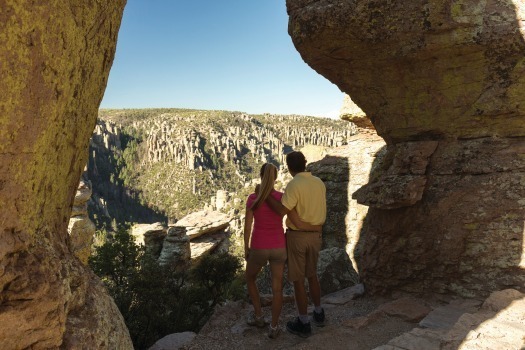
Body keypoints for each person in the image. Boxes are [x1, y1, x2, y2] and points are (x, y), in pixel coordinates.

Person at [244, 162, 321, 339]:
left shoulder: (252, 199)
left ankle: (259, 316)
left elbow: (248, 228)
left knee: (250, 278)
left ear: (261, 176)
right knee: (277, 288)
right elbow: (295, 218)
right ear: (276, 177)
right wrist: (314, 228)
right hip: (279, 247)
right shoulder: (282, 197)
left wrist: (245, 248)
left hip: (259, 246)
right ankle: (274, 326)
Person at [266, 151, 326, 338]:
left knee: (298, 280)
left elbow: (281, 211)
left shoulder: (294, 185)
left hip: (297, 237)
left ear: (290, 168)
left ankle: (303, 321)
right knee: (313, 275)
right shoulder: (319, 183)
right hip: (315, 235)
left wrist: (266, 195)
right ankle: (318, 312)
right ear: (305, 163)